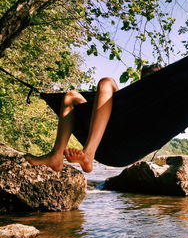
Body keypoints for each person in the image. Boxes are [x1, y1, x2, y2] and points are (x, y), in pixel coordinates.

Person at [25, 64, 161, 172]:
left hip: (125, 144)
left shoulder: (163, 102)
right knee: (70, 96)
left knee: (107, 82)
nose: (149, 80)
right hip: (107, 132)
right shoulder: (130, 98)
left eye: (154, 76)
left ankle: (88, 154)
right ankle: (55, 156)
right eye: (147, 77)